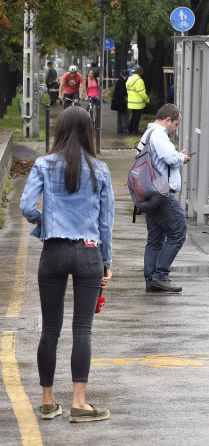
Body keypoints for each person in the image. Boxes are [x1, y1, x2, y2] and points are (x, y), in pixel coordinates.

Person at [20, 106, 114, 422]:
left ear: (59, 131)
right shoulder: (100, 170)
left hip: (53, 251)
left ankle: (48, 403)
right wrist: (106, 263)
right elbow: (105, 223)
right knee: (82, 330)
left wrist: (44, 222)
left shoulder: (43, 165)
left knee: (50, 330)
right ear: (89, 132)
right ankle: (79, 403)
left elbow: (25, 205)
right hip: (88, 251)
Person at [141, 104, 190, 293]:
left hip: (150, 193)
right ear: (168, 119)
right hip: (163, 193)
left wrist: (176, 156)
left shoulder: (147, 135)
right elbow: (170, 158)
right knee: (178, 233)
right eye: (176, 124)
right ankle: (160, 275)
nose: (176, 129)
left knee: (155, 238)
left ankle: (151, 280)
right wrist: (181, 158)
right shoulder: (159, 134)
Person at [125, 67, 147, 135]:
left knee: (133, 116)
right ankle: (135, 130)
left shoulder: (130, 79)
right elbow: (141, 92)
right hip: (138, 102)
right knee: (137, 117)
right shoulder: (139, 80)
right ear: (140, 72)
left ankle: (130, 129)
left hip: (131, 102)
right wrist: (147, 99)